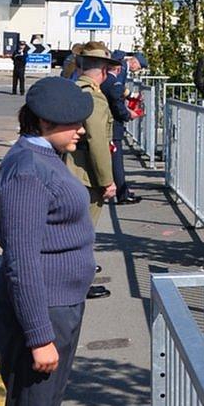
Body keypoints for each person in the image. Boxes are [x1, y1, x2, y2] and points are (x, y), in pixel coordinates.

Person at [0, 76, 96, 406]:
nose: (82, 130)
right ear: (44, 123)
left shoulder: (45, 158)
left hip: (58, 305)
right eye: (73, 123)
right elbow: (22, 261)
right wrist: (39, 336)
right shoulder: (28, 172)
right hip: (43, 310)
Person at [64, 42, 122, 300]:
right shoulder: (94, 96)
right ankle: (78, 284)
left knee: (72, 230)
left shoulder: (72, 88)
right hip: (85, 174)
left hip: (69, 170)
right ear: (103, 71)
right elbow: (98, 141)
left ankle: (73, 278)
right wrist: (107, 180)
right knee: (83, 232)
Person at [102, 51, 148, 204]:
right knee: (116, 160)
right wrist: (127, 114)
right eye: (139, 67)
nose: (137, 70)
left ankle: (123, 191)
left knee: (113, 159)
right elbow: (116, 94)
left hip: (110, 120)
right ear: (134, 62)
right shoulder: (118, 72)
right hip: (113, 123)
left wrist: (131, 96)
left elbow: (119, 91)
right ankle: (122, 193)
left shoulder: (113, 74)